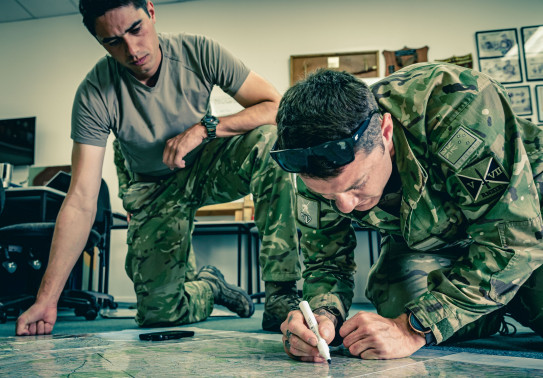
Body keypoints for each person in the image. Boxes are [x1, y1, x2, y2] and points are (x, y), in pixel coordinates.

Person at [16, 0, 302, 336]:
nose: (133, 50)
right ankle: (210, 286)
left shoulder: (198, 51)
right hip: (154, 188)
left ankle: (283, 294)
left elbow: (276, 106)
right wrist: (47, 299)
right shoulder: (94, 94)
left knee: (270, 141)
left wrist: (204, 129)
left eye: (136, 29)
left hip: (208, 164)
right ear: (99, 41)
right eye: (113, 42)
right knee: (158, 314)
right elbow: (80, 199)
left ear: (151, 12)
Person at [273, 64, 543, 361]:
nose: (344, 206)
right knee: (396, 303)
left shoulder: (454, 104)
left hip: (527, 222)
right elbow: (325, 262)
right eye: (327, 195)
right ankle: (491, 301)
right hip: (436, 236)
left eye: (357, 185)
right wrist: (322, 317)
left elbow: (516, 237)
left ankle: (510, 293)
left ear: (385, 133)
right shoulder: (307, 162)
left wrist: (414, 328)